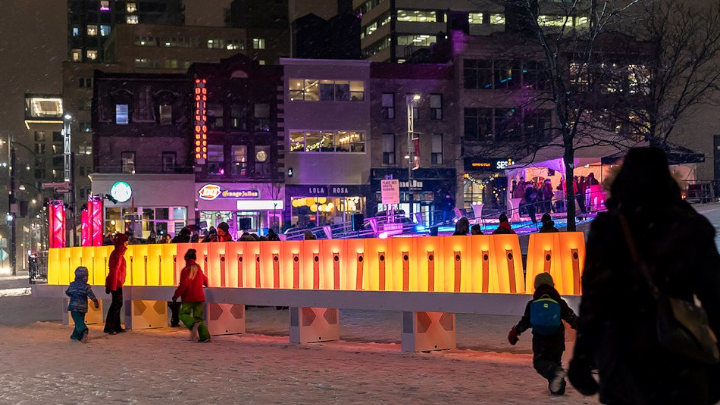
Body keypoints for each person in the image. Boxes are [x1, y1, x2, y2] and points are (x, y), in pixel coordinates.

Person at [568, 147, 720, 404]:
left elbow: (595, 300)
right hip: (678, 355)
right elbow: (715, 297)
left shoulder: (609, 229)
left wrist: (583, 357)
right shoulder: (691, 226)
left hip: (624, 356)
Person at [508, 273, 578, 395]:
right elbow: (571, 318)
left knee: (540, 363)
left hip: (541, 340)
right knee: (555, 363)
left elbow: (525, 322)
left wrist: (515, 333)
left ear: (536, 286)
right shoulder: (559, 302)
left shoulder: (532, 304)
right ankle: (558, 391)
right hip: (557, 340)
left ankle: (556, 374)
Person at [172, 249, 211, 343]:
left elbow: (183, 285)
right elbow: (205, 280)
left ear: (186, 259)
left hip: (188, 298)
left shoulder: (185, 270)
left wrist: (175, 296)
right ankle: (205, 336)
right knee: (198, 318)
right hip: (200, 297)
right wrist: (206, 284)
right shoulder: (198, 268)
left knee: (183, 314)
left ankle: (192, 324)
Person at [66, 266, 99, 343]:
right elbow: (91, 295)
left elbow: (68, 292)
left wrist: (72, 294)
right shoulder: (86, 286)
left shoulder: (73, 285)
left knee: (78, 321)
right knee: (79, 320)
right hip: (83, 307)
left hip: (74, 307)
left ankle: (84, 330)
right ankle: (75, 335)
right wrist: (95, 301)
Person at [104, 233, 128, 335]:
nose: (127, 243)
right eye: (126, 241)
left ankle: (116, 326)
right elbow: (115, 270)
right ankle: (110, 326)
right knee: (116, 304)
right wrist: (112, 285)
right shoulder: (118, 254)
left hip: (117, 283)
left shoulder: (119, 253)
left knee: (117, 304)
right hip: (116, 283)